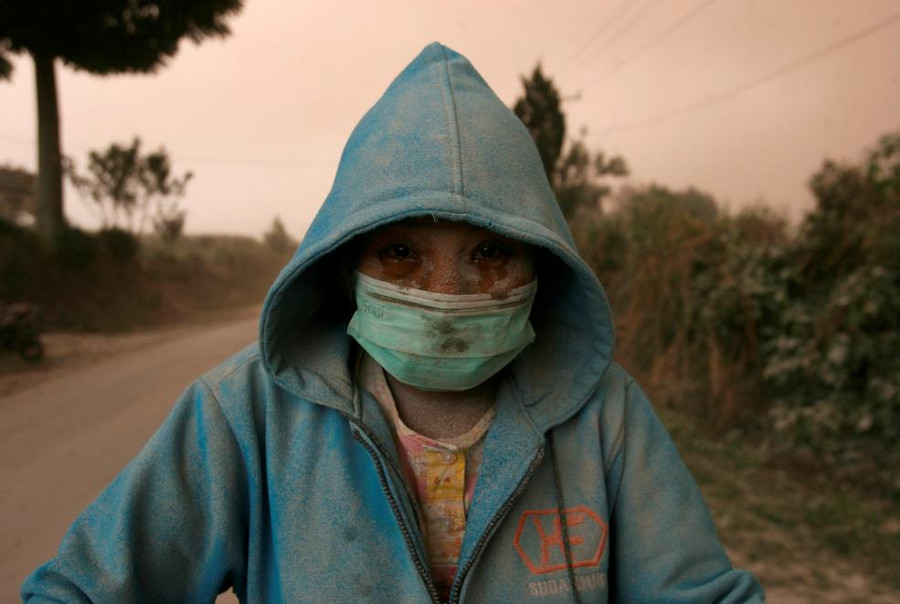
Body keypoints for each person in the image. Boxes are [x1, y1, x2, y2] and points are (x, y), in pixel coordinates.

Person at [22, 43, 764, 603]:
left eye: (491, 252)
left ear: (543, 266)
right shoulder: (247, 415)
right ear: (346, 267)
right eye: (402, 252)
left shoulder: (605, 418)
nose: (448, 292)